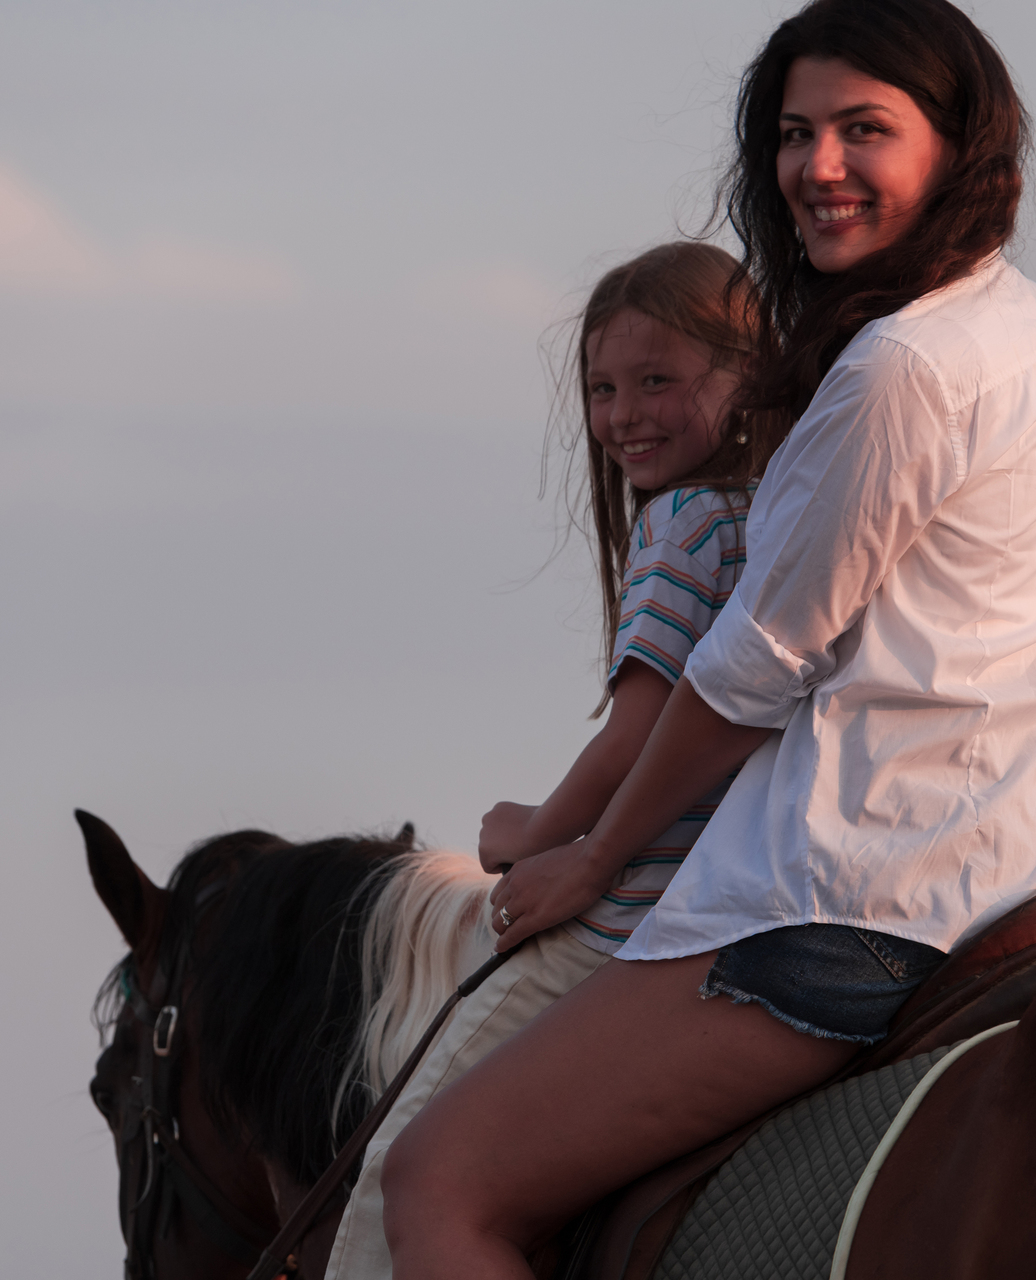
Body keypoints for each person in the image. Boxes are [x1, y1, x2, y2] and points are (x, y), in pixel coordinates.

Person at [381, 1, 1036, 1275]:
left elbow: (751, 666)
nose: (821, 167)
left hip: (862, 891)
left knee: (440, 1179)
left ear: (958, 145)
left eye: (868, 130)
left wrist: (591, 859)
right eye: (799, 134)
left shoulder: (900, 367)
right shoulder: (1026, 327)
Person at [325, 241, 762, 1280]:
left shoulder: (681, 526)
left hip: (631, 921)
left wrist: (541, 829)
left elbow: (638, 729)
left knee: (395, 1185)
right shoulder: (771, 520)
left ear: (748, 378)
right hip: (737, 891)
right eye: (604, 389)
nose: (624, 414)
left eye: (659, 379)